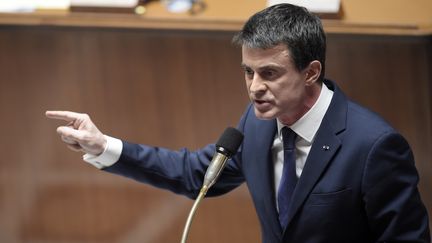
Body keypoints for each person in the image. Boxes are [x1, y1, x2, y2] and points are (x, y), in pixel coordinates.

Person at [46, 3, 430, 243]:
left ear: (311, 72)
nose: (255, 88)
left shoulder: (374, 146)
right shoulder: (259, 124)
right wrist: (104, 147)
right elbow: (198, 175)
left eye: (269, 73)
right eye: (248, 72)